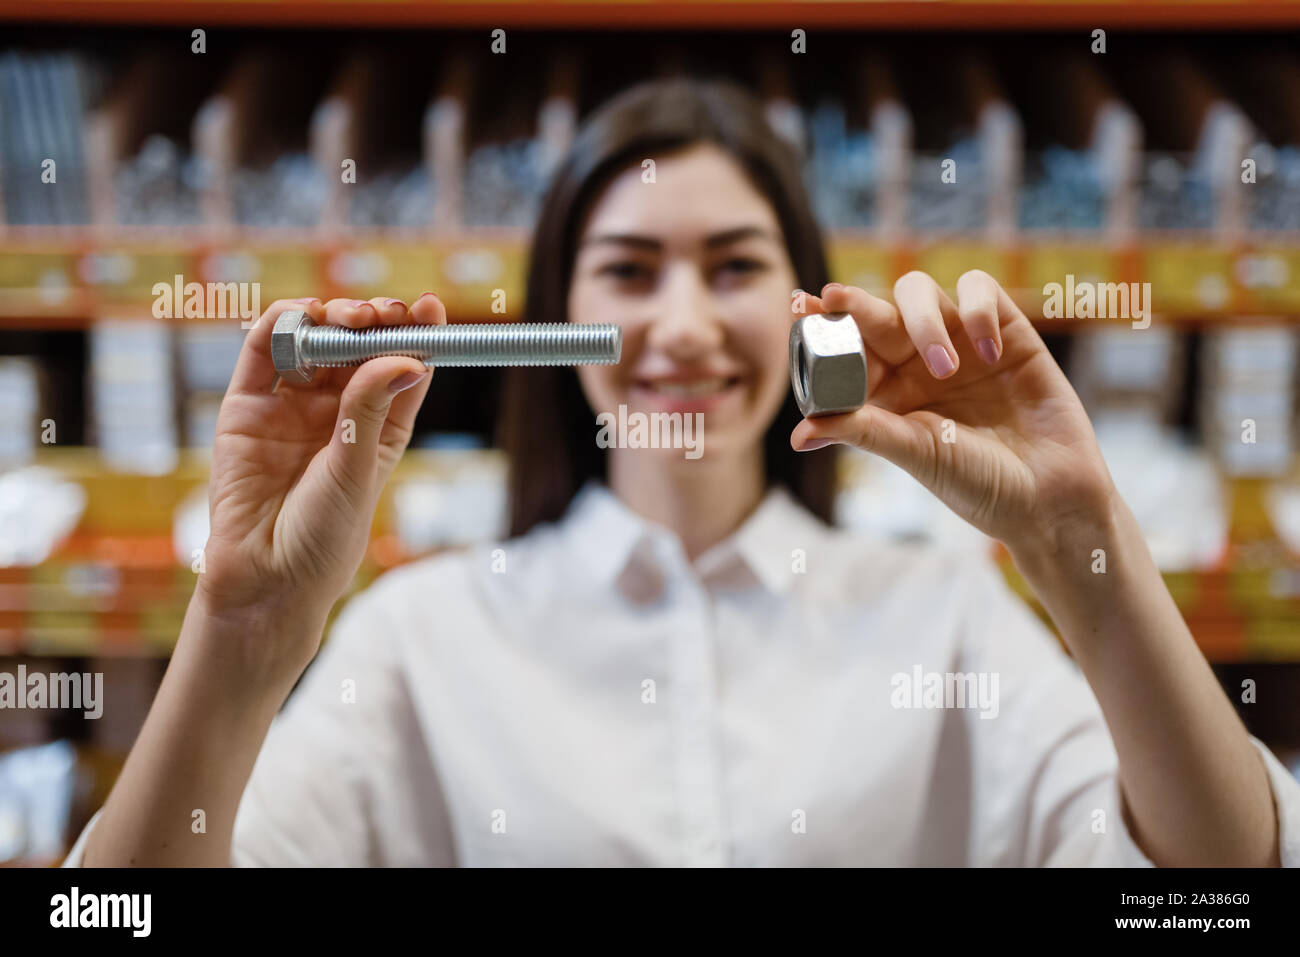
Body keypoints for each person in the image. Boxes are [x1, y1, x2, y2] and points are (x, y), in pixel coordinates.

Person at [68, 78, 1298, 867]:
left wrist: (1084, 548)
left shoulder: (948, 620)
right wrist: (236, 634)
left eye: (732, 266)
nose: (682, 326)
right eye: (628, 270)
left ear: (806, 302)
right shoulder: (422, 640)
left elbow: (1217, 891)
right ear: (557, 316)